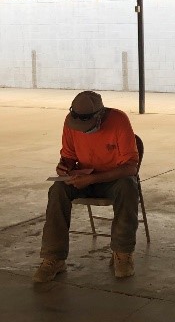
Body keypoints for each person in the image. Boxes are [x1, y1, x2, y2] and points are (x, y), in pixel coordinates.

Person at [34, 91, 140, 283]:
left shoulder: (119, 120)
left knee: (128, 187)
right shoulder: (70, 123)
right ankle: (54, 257)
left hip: (112, 179)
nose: (82, 131)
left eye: (87, 127)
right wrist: (64, 166)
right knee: (57, 190)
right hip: (83, 178)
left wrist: (94, 179)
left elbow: (131, 167)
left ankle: (123, 253)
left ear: (100, 115)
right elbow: (68, 156)